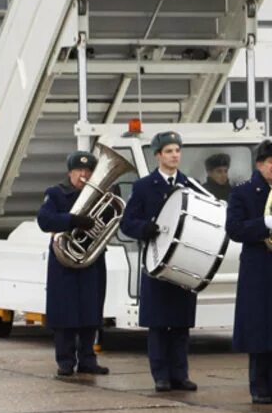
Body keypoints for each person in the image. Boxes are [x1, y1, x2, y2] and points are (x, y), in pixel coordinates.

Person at [120, 131, 198, 392]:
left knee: (180, 323)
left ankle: (180, 374)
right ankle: (161, 376)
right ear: (158, 156)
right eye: (169, 151)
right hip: (155, 262)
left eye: (177, 150)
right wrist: (147, 228)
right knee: (158, 323)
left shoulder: (190, 185)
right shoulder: (143, 186)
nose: (175, 155)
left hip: (184, 262)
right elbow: (127, 223)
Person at [226, 140, 272, 404]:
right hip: (257, 268)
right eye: (271, 162)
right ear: (259, 165)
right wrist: (263, 224)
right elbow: (234, 229)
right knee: (259, 327)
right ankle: (258, 386)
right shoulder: (243, 192)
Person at [36, 150, 109, 377]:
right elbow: (44, 220)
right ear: (70, 172)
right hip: (64, 260)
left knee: (91, 309)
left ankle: (88, 358)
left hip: (91, 258)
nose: (83, 175)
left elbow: (111, 223)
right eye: (79, 170)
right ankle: (65, 360)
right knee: (65, 311)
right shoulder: (56, 194)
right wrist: (71, 220)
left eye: (88, 171)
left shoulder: (101, 195)